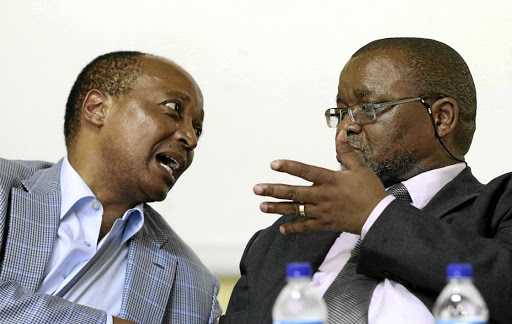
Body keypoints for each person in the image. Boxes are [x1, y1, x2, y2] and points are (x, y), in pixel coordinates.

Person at [220, 38, 512, 324]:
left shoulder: (498, 206)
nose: (347, 127)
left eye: (367, 108)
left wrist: (376, 215)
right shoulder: (284, 238)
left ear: (441, 118)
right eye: (342, 112)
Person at [0, 51, 221, 323]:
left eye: (197, 129)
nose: (190, 139)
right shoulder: (4, 185)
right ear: (96, 108)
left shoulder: (195, 287)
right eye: (174, 108)